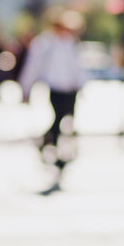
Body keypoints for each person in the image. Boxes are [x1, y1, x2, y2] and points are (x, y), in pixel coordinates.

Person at [18, 9, 87, 151]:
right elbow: (33, 67)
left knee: (68, 116)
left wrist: (81, 85)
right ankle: (50, 142)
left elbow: (76, 67)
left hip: (70, 88)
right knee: (59, 116)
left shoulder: (70, 43)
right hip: (56, 88)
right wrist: (26, 88)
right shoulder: (45, 43)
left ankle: (52, 142)